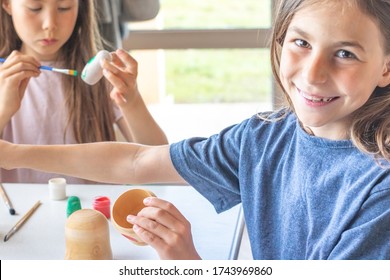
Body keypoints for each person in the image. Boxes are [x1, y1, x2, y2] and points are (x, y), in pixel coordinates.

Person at [1, 0, 390, 260]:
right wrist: (15, 154)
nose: (313, 74)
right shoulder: (262, 138)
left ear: (386, 66)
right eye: (301, 42)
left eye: (345, 53)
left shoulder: (380, 190)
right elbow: (137, 160)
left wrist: (190, 264)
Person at [0, 0, 167, 184]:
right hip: (23, 210)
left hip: (94, 210)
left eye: (64, 8)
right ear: (7, 4)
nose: (50, 24)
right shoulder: (3, 79)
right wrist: (3, 110)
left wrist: (132, 100)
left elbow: (161, 161)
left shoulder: (98, 76)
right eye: (35, 8)